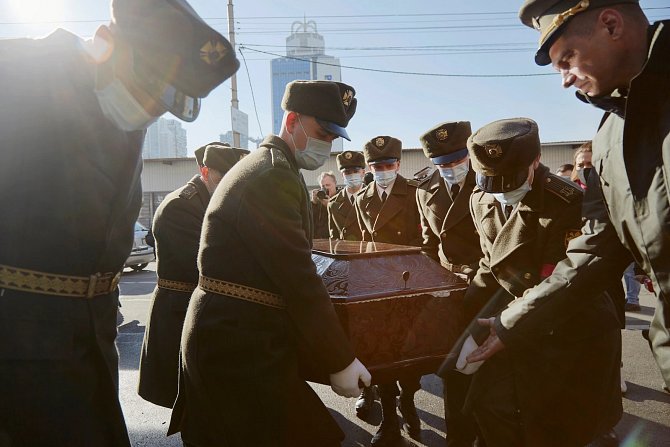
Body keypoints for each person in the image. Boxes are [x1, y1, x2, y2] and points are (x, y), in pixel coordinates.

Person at [0, 0, 238, 445]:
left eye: (162, 101)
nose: (149, 109)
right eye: (147, 87)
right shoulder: (17, 71)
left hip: (91, 340)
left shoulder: (118, 105)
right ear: (109, 43)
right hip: (14, 343)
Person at [472, 0, 670, 396]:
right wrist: (515, 321)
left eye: (567, 60)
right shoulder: (611, 134)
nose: (564, 79)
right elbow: (596, 247)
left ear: (611, 25)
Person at [170, 80, 371, 447]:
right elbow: (297, 276)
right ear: (291, 120)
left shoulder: (276, 167)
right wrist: (339, 359)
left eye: (333, 136)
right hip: (235, 343)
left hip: (240, 334)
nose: (327, 144)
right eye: (321, 132)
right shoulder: (272, 174)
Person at [460, 117, 622, 447]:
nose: (502, 190)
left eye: (510, 179)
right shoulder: (480, 199)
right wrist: (464, 320)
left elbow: (563, 280)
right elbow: (489, 265)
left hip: (569, 326)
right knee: (491, 409)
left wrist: (506, 325)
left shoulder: (568, 202)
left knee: (560, 429)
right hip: (516, 323)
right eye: (492, 181)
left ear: (536, 161)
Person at [138, 143, 248, 408]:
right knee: (188, 398)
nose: (228, 185)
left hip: (201, 309)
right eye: (223, 178)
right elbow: (208, 263)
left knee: (205, 399)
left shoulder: (210, 201)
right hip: (179, 310)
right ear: (205, 171)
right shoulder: (181, 206)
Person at [416, 121, 485, 447]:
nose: (452, 168)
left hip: (486, 287)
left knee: (486, 370)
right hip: (448, 290)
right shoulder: (425, 190)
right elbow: (429, 245)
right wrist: (434, 282)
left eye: (458, 160)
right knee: (454, 373)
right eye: (443, 164)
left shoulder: (491, 180)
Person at [355, 135, 422, 446]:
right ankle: (390, 420)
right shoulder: (361, 198)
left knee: (412, 352)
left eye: (388, 164)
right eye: (376, 166)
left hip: (411, 281)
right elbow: (362, 243)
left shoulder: (415, 193)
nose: (382, 170)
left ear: (398, 164)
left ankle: (407, 399)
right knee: (380, 350)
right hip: (378, 284)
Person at [329, 151, 366, 241]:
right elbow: (334, 237)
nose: (352, 175)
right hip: (345, 252)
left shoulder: (374, 198)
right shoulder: (333, 204)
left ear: (363, 172)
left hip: (368, 251)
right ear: (342, 175)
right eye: (347, 172)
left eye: (356, 171)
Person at [312, 171, 338, 239]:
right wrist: (313, 203)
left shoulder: (342, 198)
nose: (326, 188)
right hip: (319, 242)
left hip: (335, 241)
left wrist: (330, 206)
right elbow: (310, 223)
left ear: (335, 184)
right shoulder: (319, 201)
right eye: (323, 186)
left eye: (328, 185)